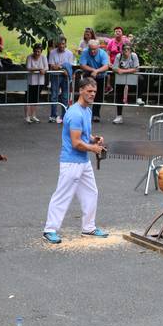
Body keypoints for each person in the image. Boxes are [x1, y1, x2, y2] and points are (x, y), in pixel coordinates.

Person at [42, 77, 109, 244]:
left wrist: (94, 139)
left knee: (91, 192)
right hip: (71, 161)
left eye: (94, 91)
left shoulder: (87, 110)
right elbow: (76, 143)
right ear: (81, 91)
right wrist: (93, 148)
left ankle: (89, 228)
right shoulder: (75, 113)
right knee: (63, 195)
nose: (92, 94)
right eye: (89, 91)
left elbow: (84, 136)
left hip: (83, 161)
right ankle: (49, 230)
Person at [79, 39, 110, 122]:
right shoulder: (85, 52)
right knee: (85, 94)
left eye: (95, 49)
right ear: (88, 48)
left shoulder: (103, 53)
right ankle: (83, 113)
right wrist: (93, 70)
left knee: (98, 96)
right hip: (89, 75)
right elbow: (82, 65)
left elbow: (106, 66)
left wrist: (97, 71)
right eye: (91, 49)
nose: (92, 51)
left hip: (100, 76)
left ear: (98, 47)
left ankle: (96, 114)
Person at [112, 43, 141, 124]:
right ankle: (119, 116)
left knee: (141, 79)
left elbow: (136, 69)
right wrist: (119, 71)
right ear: (122, 50)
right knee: (119, 95)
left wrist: (124, 71)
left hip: (132, 77)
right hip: (121, 78)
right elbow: (114, 68)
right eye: (124, 49)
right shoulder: (119, 56)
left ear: (131, 50)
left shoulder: (134, 56)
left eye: (128, 49)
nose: (126, 51)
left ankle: (139, 98)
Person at [48, 36, 74, 123]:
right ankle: (53, 116)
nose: (61, 45)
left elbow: (69, 67)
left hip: (65, 77)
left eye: (63, 44)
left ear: (65, 44)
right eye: (59, 44)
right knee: (54, 96)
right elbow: (52, 66)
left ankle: (65, 115)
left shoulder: (69, 53)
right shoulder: (52, 52)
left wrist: (60, 67)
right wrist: (62, 68)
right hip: (55, 76)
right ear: (57, 44)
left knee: (65, 97)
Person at [24, 43, 48, 123]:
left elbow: (46, 67)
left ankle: (33, 116)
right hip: (30, 82)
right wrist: (39, 69)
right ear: (33, 51)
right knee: (28, 99)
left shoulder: (43, 57)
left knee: (35, 100)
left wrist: (43, 70)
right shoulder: (29, 57)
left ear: (41, 51)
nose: (37, 53)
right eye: (35, 51)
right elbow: (28, 67)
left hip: (40, 82)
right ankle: (27, 116)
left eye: (38, 52)